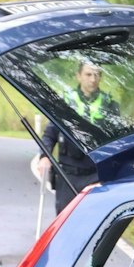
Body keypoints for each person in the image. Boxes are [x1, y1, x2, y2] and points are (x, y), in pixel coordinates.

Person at [30, 60, 124, 212]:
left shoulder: (109, 105)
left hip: (96, 175)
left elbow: (118, 141)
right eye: (88, 74)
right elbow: (50, 135)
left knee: (93, 220)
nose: (93, 79)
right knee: (65, 220)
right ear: (78, 76)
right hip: (68, 175)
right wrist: (44, 157)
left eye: (96, 75)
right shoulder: (64, 102)